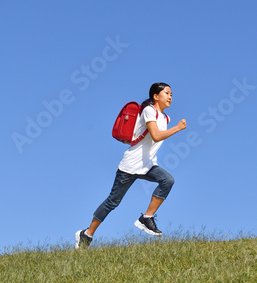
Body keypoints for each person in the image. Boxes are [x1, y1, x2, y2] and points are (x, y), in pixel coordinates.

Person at [75, 82, 187, 249]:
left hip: (148, 165)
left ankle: (147, 218)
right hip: (130, 166)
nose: (170, 97)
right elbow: (156, 136)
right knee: (112, 202)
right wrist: (177, 128)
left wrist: (173, 126)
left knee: (167, 180)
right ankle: (86, 234)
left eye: (171, 94)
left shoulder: (165, 118)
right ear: (156, 96)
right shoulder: (149, 111)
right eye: (167, 93)